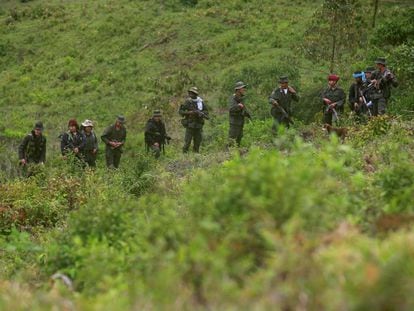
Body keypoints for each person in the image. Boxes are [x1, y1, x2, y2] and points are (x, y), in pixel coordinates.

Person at [179, 87, 209, 153]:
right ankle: (184, 156)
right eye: (190, 93)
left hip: (198, 125)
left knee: (197, 143)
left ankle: (195, 156)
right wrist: (189, 113)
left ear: (196, 94)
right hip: (190, 125)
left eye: (193, 93)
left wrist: (201, 114)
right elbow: (181, 111)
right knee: (187, 142)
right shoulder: (187, 102)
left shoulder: (201, 102)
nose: (191, 94)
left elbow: (206, 113)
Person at [228, 81, 251, 147]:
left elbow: (243, 109)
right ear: (238, 90)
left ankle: (236, 155)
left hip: (240, 123)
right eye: (242, 88)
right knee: (232, 141)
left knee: (238, 141)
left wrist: (247, 113)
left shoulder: (241, 98)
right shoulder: (233, 98)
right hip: (234, 123)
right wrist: (238, 106)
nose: (244, 89)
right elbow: (231, 110)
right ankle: (228, 155)